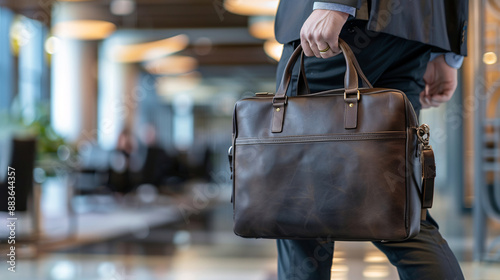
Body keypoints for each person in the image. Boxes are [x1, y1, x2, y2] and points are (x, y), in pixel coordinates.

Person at [274, 0, 468, 279]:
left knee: (301, 205)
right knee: (400, 210)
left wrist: (335, 5)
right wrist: (449, 53)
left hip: (354, 18)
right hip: (415, 30)